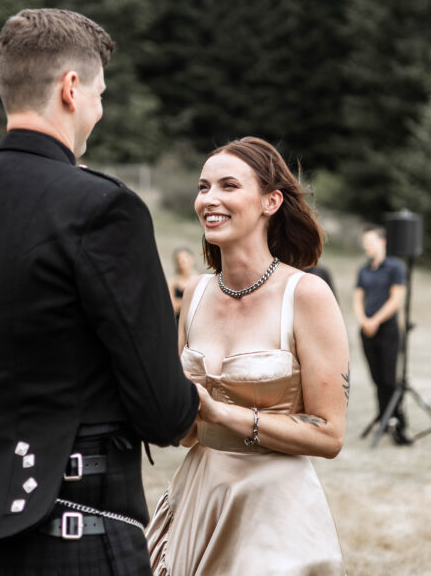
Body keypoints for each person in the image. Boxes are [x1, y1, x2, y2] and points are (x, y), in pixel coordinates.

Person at [0, 8, 199, 575]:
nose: (100, 110)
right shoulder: (105, 208)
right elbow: (162, 411)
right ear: (71, 89)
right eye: (99, 94)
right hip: (75, 526)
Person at [145, 136, 349, 575]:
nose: (209, 200)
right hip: (199, 496)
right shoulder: (195, 292)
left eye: (228, 186)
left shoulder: (307, 294)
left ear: (270, 201)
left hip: (273, 508)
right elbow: (185, 434)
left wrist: (222, 414)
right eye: (203, 187)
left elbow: (330, 434)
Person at [353, 225, 410, 445]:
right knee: (377, 379)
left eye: (371, 241)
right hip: (367, 330)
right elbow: (358, 297)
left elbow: (396, 299)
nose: (367, 246)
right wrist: (363, 321)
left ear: (382, 241)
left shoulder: (395, 268)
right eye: (365, 242)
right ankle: (384, 420)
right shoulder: (364, 269)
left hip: (387, 330)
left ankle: (397, 422)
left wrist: (376, 320)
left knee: (389, 379)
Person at [169, 247, 195, 320]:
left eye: (185, 258)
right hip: (178, 320)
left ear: (192, 260)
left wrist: (180, 302)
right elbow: (172, 306)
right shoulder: (173, 282)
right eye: (179, 259)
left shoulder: (200, 280)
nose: (182, 261)